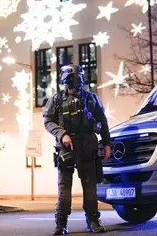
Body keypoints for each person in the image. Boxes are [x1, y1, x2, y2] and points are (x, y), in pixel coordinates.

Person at [43, 64, 112, 235]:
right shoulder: (56, 99)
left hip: (88, 145)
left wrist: (107, 143)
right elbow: (48, 121)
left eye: (79, 77)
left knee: (90, 188)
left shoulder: (91, 99)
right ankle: (61, 224)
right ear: (65, 80)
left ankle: (93, 221)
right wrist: (62, 134)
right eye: (73, 78)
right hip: (67, 147)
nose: (77, 81)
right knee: (64, 189)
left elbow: (102, 122)